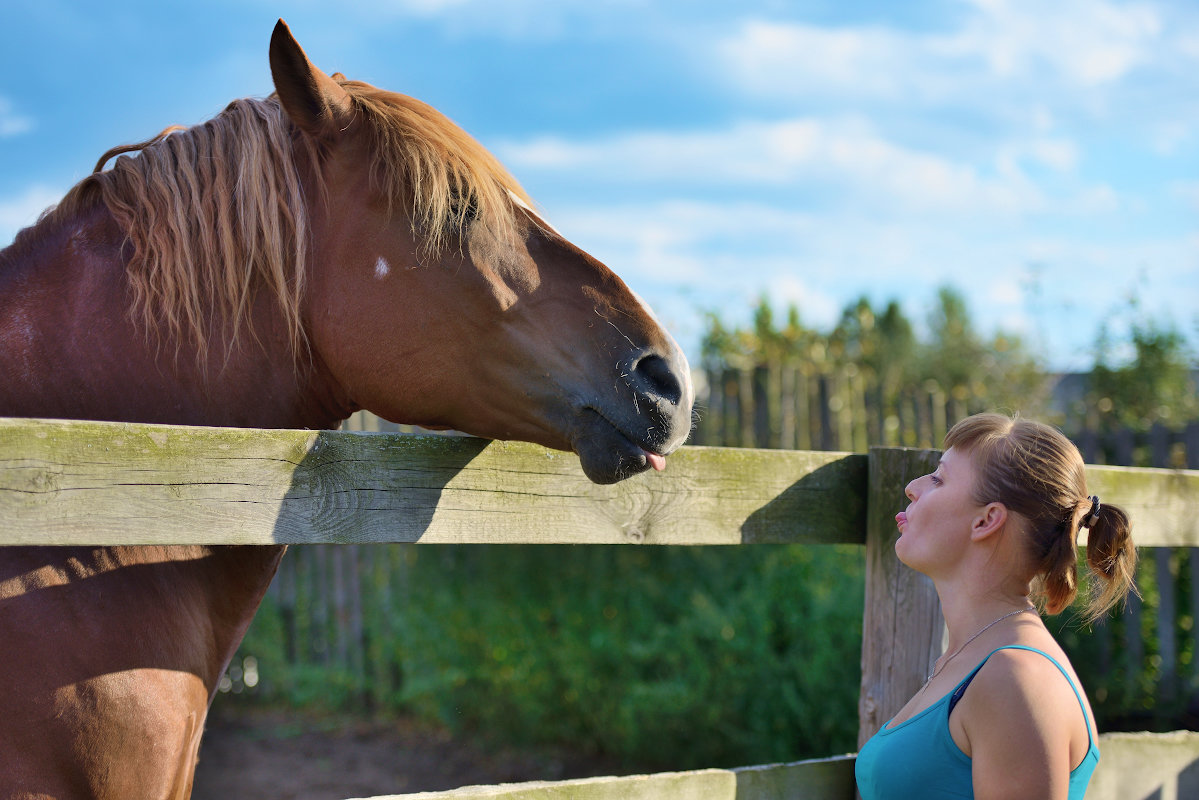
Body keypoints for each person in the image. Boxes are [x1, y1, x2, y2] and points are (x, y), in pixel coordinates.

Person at [855, 413, 1138, 799]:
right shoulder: (972, 658)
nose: (911, 487)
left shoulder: (1015, 678)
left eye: (938, 478)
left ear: (987, 520)